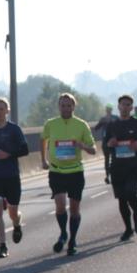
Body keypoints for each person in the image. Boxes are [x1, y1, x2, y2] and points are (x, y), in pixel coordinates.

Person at [40, 93, 96, 256]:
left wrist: (82, 145)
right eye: (63, 105)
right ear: (59, 107)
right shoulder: (51, 124)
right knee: (59, 205)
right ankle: (63, 233)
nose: (65, 108)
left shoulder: (81, 125)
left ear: (74, 107)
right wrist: (44, 160)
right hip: (56, 171)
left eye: (69, 105)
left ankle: (72, 240)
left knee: (74, 209)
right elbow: (42, 139)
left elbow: (93, 149)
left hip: (75, 172)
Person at [0, 97, 27, 258]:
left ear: (7, 111)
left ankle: (17, 223)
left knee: (13, 211)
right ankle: (2, 246)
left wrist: (7, 154)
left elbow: (25, 150)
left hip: (12, 176)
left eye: (1, 109)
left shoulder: (14, 130)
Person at [103, 94, 137, 242]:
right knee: (122, 199)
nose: (125, 107)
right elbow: (105, 144)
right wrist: (110, 144)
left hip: (133, 166)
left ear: (131, 107)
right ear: (118, 106)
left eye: (128, 104)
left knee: (131, 193)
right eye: (123, 104)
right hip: (117, 167)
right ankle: (128, 229)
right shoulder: (112, 125)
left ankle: (136, 213)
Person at [95, 105, 116, 184]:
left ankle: (109, 175)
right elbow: (97, 128)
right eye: (108, 109)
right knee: (109, 159)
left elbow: (96, 128)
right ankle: (108, 175)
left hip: (111, 141)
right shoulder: (112, 118)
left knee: (110, 159)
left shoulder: (112, 118)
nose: (108, 110)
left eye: (109, 109)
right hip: (108, 141)